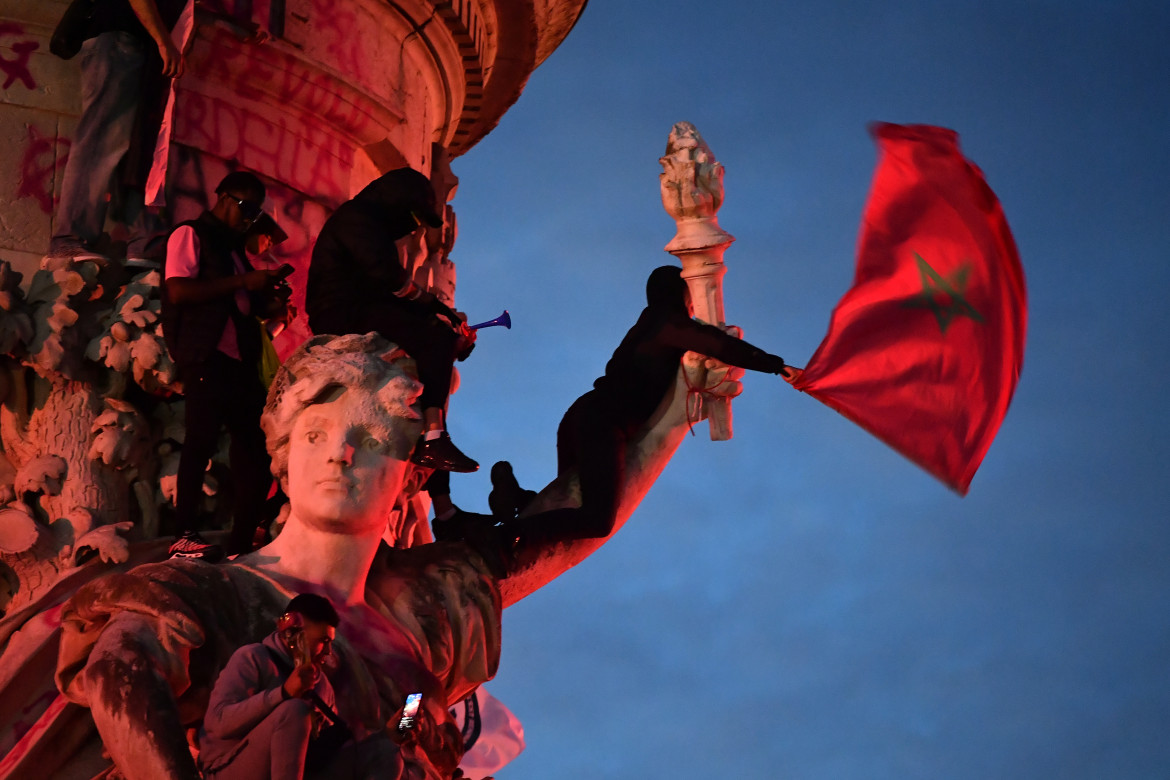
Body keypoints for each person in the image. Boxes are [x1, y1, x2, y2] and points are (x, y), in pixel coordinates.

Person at [483, 265, 790, 546]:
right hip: (603, 423)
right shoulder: (667, 323)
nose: (693, 307)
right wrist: (776, 365)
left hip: (581, 416)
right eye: (691, 299)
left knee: (569, 501)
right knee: (597, 520)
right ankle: (504, 535)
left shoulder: (646, 325)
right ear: (680, 295)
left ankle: (520, 501)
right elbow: (719, 345)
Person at [305, 167, 478, 474]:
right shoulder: (357, 218)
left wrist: (447, 330)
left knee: (438, 337)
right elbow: (385, 278)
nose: (414, 229)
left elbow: (386, 292)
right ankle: (434, 436)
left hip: (357, 308)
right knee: (434, 337)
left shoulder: (369, 223)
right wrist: (428, 305)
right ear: (397, 203)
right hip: (340, 312)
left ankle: (436, 455)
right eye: (413, 217)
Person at [162, 170, 289, 560]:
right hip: (205, 355)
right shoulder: (190, 234)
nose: (249, 220)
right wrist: (244, 283)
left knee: (256, 452)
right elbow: (179, 289)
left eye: (254, 214)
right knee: (199, 443)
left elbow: (241, 306)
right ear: (223, 198)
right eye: (246, 209)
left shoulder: (233, 250)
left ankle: (240, 544)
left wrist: (268, 298)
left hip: (238, 363)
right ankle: (183, 534)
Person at [49, 0, 189, 262]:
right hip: (121, 40)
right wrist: (163, 40)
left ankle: (139, 242)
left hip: (134, 45)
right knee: (101, 141)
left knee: (130, 147)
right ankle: (68, 240)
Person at [198, 593, 341, 779]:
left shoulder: (322, 684)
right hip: (227, 768)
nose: (328, 652)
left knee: (383, 749)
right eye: (323, 641)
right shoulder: (252, 658)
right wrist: (283, 694)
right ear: (292, 631)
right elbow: (218, 723)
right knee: (295, 710)